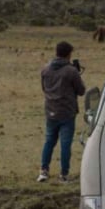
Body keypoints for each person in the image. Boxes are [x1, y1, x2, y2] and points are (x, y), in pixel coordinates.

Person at [38, 41, 85, 183]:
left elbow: (44, 89)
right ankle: (63, 174)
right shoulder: (71, 71)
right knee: (65, 144)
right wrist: (77, 74)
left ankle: (44, 171)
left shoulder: (45, 69)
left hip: (50, 111)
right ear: (68, 54)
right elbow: (81, 91)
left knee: (49, 141)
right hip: (67, 112)